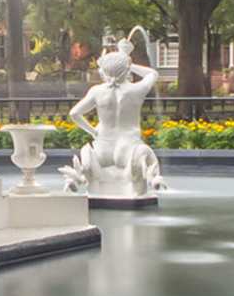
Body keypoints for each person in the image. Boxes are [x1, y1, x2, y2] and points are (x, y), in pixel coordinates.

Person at [64, 34, 164, 197]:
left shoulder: (97, 91)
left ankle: (78, 178)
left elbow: (74, 113)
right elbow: (152, 74)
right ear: (126, 70)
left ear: (104, 71)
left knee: (85, 157)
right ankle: (154, 178)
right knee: (147, 154)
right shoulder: (135, 90)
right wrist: (129, 62)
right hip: (127, 146)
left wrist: (92, 132)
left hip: (102, 147)